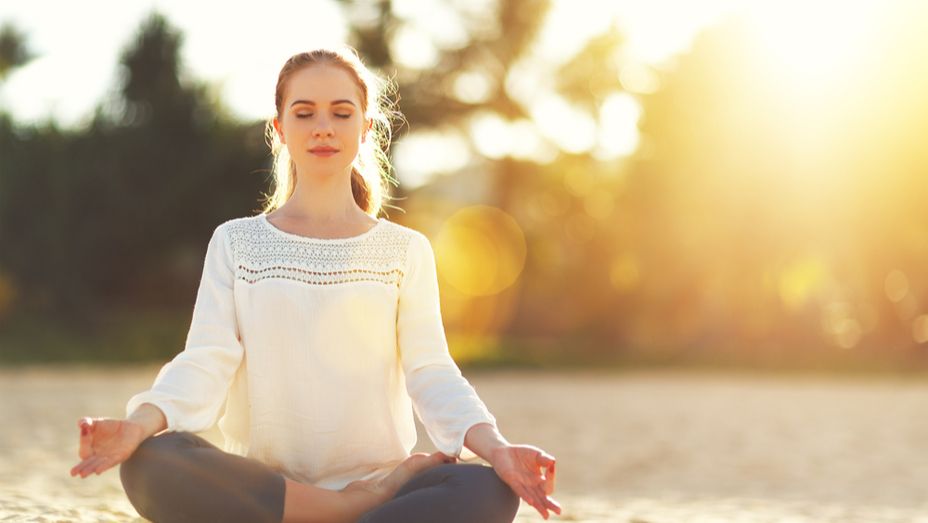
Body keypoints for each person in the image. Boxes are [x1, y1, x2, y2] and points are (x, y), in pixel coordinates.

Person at [70, 47, 561, 523]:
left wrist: (498, 449)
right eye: (304, 113)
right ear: (279, 129)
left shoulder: (404, 250)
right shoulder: (236, 243)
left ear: (366, 128)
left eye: (340, 113)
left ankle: (341, 508)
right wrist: (136, 427)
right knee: (152, 462)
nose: (323, 126)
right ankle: (346, 510)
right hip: (267, 484)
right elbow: (206, 359)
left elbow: (430, 370)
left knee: (489, 487)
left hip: (379, 482)